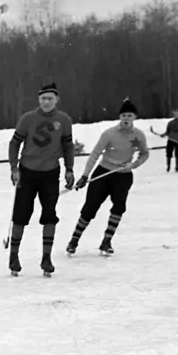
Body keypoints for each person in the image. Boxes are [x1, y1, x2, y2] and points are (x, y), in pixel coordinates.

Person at [6, 81, 75, 276]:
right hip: (27, 172)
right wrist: (14, 168)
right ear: (38, 99)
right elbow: (14, 143)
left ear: (56, 100)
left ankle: (46, 257)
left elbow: (68, 146)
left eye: (50, 98)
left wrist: (69, 169)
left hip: (50, 173)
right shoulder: (28, 119)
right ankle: (13, 256)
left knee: (49, 215)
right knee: (20, 215)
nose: (46, 102)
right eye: (43, 98)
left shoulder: (64, 120)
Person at [66, 98, 150, 257]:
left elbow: (145, 154)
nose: (126, 118)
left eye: (129, 115)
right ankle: (74, 240)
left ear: (135, 118)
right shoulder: (109, 134)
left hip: (123, 176)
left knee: (119, 207)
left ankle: (107, 241)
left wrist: (133, 165)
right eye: (124, 115)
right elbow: (95, 154)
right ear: (120, 117)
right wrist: (85, 175)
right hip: (103, 173)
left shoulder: (138, 136)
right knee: (90, 208)